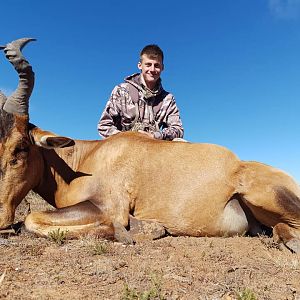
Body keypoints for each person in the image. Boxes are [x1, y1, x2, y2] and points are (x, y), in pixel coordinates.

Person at [97, 44, 184, 140]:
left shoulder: (168, 99)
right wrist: (129, 139)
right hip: (124, 148)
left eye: (157, 65)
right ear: (140, 65)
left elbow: (178, 130)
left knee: (179, 141)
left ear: (162, 68)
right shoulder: (121, 90)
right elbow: (104, 126)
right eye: (148, 65)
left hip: (154, 147)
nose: (152, 69)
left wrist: (156, 136)